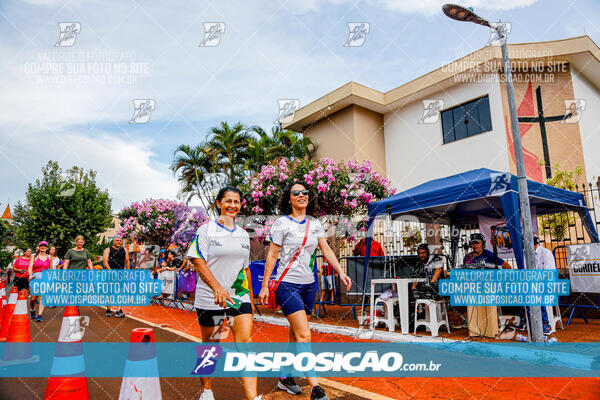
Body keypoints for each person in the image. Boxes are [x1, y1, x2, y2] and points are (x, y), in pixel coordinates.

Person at [258, 180, 352, 400]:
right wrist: (264, 286)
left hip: (309, 285)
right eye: (296, 193)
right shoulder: (281, 223)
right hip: (287, 284)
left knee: (295, 335)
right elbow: (272, 255)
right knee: (304, 335)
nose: (301, 195)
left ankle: (285, 376)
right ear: (289, 199)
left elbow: (326, 249)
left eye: (305, 192)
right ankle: (316, 389)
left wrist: (340, 271)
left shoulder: (314, 223)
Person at [186, 186, 262, 400]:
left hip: (238, 296)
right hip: (210, 298)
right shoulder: (206, 230)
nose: (232, 205)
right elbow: (198, 261)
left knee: (245, 344)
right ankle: (207, 391)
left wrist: (251, 298)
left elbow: (245, 268)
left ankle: (253, 398)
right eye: (228, 201)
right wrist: (216, 288)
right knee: (211, 346)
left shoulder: (242, 235)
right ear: (219, 203)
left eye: (236, 202)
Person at [518, 235, 554, 333]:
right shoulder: (524, 254)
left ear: (535, 244)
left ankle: (545, 323)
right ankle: (524, 318)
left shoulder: (546, 253)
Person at [103, 236, 130, 318]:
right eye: (117, 240)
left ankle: (118, 310)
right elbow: (105, 262)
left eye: (120, 241)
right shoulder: (108, 249)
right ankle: (108, 309)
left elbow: (127, 262)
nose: (119, 242)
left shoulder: (124, 250)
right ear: (113, 241)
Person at [28, 241, 51, 321]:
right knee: (33, 298)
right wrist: (30, 275)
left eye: (45, 246)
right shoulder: (34, 256)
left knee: (42, 296)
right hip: (35, 277)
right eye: (41, 246)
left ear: (47, 248)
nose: (43, 247)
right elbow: (30, 267)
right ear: (39, 246)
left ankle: (39, 315)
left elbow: (50, 269)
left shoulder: (49, 257)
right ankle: (32, 309)